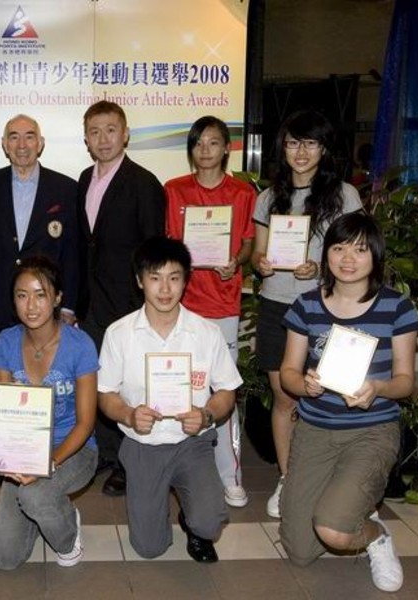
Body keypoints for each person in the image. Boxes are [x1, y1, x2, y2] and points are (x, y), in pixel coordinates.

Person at [279, 212, 418, 593]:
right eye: (338, 248)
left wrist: (377, 388)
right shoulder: (307, 305)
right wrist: (303, 385)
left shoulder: (396, 307)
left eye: (359, 249)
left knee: (334, 532)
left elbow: (405, 382)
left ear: (375, 255)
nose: (347, 258)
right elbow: (289, 372)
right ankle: (349, 507)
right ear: (326, 255)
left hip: (371, 431)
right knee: (301, 550)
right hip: (314, 430)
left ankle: (374, 535)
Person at [98, 236, 242, 562]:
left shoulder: (207, 333)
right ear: (139, 281)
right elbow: (105, 395)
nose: (165, 289)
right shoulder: (119, 334)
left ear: (186, 281)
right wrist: (129, 415)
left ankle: (194, 521)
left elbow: (226, 392)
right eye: (155, 278)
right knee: (150, 547)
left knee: (209, 523)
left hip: (192, 442)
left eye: (174, 278)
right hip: (142, 443)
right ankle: (155, 505)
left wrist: (206, 415)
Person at [250, 109, 362, 518]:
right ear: (283, 146)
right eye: (294, 142)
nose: (301, 151)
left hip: (326, 308)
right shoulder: (269, 196)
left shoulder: (345, 195)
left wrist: (321, 268)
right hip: (277, 303)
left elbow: (357, 253)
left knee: (329, 394)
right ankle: (288, 478)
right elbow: (260, 250)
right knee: (284, 396)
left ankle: (331, 478)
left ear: (324, 148)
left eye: (310, 143)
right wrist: (261, 263)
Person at [165, 115, 256, 508]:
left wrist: (236, 261)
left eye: (214, 142)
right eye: (199, 142)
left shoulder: (242, 192)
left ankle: (228, 475)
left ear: (226, 148)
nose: (206, 149)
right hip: (179, 306)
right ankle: (180, 471)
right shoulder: (174, 190)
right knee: (177, 388)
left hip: (222, 304)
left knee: (222, 391)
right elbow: (170, 244)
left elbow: (250, 243)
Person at [77, 100, 166, 496]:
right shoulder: (83, 179)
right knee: (98, 382)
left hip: (129, 302)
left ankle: (131, 464)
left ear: (125, 134)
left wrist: (147, 300)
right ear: (86, 139)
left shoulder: (144, 183)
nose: (103, 139)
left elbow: (152, 250)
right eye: (95, 132)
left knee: (131, 385)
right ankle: (106, 455)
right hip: (91, 303)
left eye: (111, 130)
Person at [0, 257, 98, 569]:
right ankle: (46, 508)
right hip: (25, 448)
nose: (31, 305)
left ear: (58, 298)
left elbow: (86, 422)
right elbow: (5, 410)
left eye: (41, 294)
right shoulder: (5, 342)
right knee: (5, 558)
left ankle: (66, 530)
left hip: (74, 449)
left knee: (35, 496)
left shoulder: (80, 345)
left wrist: (47, 464)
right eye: (22, 295)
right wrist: (11, 458)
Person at [0, 115, 79, 342]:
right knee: (5, 373)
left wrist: (68, 306)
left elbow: (73, 253)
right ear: (4, 144)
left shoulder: (66, 188)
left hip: (47, 303)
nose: (22, 145)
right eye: (14, 137)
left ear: (40, 143)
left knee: (46, 373)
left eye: (29, 137)